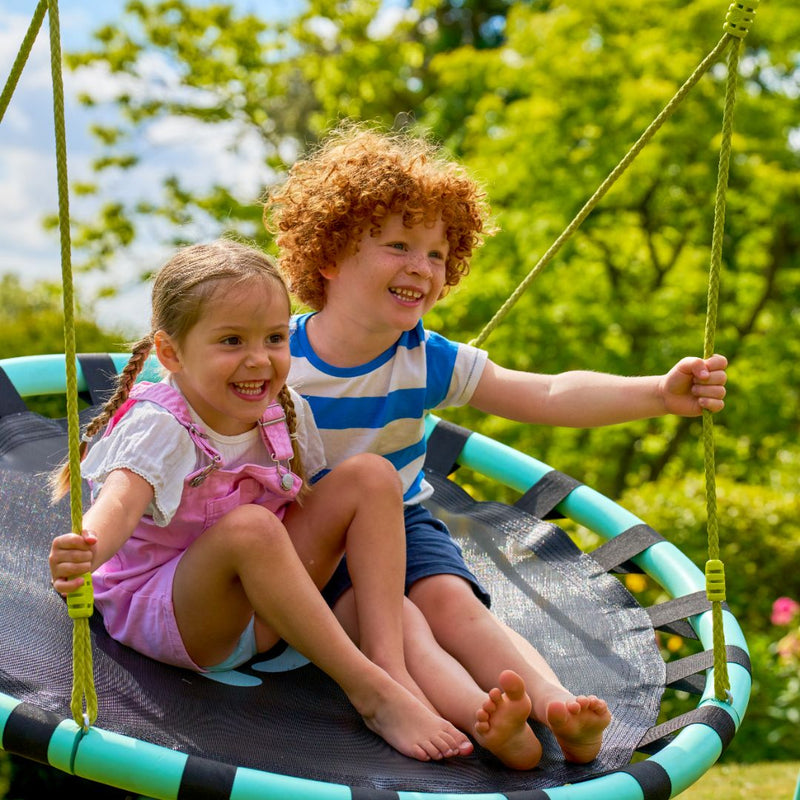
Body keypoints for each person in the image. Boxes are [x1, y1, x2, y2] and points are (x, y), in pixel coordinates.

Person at [265, 122, 729, 766]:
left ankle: (555, 705)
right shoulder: (277, 357)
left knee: (456, 605)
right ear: (330, 255)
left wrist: (657, 392)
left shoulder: (426, 359)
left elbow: (546, 394)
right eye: (398, 245)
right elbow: (187, 401)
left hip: (401, 521)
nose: (421, 268)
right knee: (402, 625)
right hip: (312, 538)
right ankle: (481, 723)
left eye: (436, 253)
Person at [48, 238, 481, 764]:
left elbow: (314, 505)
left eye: (275, 338)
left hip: (268, 612)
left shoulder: (285, 409)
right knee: (251, 527)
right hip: (184, 622)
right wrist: (88, 544)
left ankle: (390, 665)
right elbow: (119, 499)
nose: (258, 360)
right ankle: (370, 690)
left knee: (370, 475)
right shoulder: (158, 425)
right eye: (231, 341)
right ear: (170, 353)